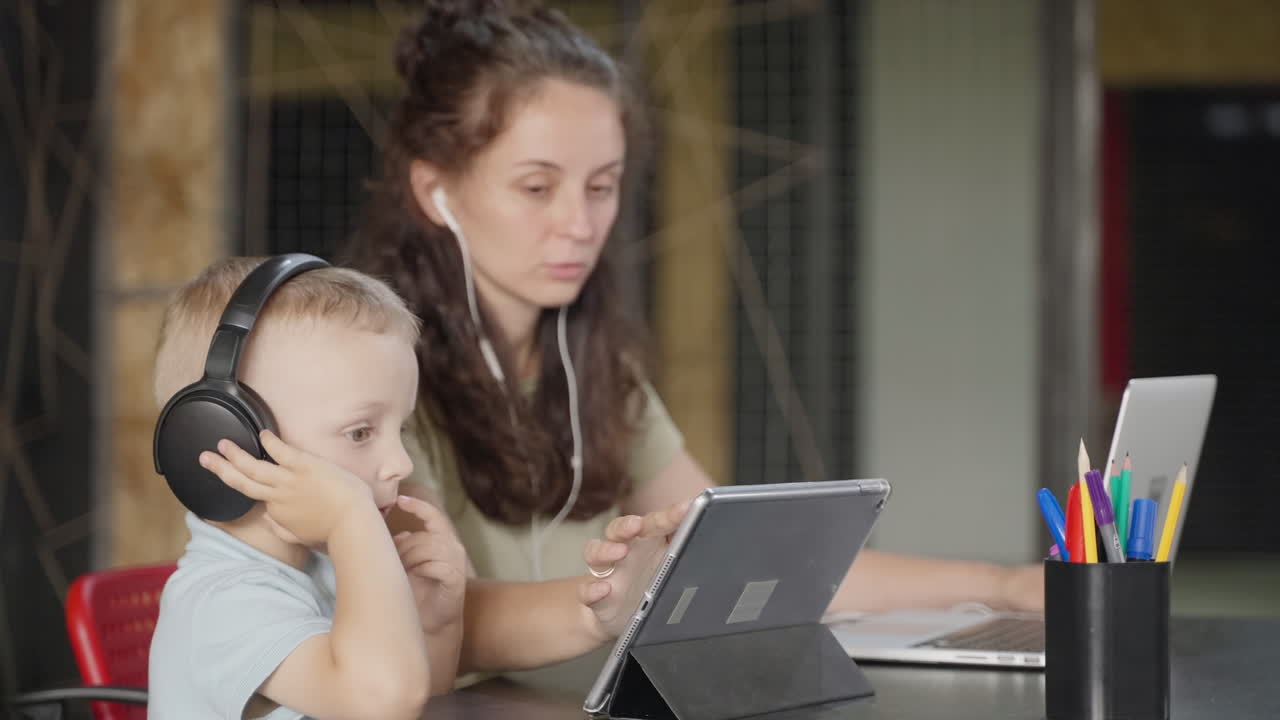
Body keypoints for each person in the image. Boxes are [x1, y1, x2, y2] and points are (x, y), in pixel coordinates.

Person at [345, 0, 1043, 685]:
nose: (579, 224)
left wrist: (1005, 587)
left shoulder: (598, 369)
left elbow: (756, 565)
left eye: (602, 187)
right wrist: (609, 604)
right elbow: (438, 615)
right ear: (435, 191)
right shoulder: (377, 377)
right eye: (536, 187)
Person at [147, 258, 462, 719]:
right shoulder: (222, 604)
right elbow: (382, 703)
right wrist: (351, 520)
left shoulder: (327, 567)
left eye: (402, 429)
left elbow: (418, 704)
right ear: (227, 436)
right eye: (360, 432)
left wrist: (434, 626)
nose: (402, 464)